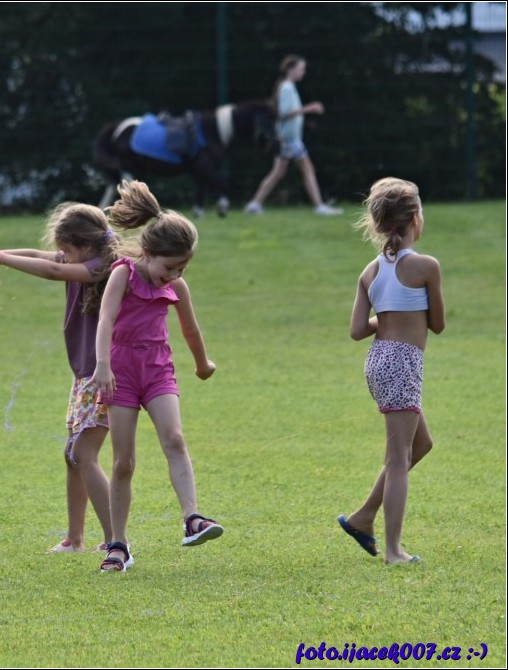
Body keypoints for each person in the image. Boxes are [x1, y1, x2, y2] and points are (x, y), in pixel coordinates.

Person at [0, 202, 119, 553]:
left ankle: (116, 540)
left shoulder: (102, 267)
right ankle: (75, 539)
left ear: (83, 245)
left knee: (83, 454)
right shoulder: (81, 258)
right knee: (72, 455)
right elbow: (42, 256)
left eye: (66, 251)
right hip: (84, 375)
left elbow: (53, 272)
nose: (61, 257)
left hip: (105, 373)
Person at [92, 180, 222, 573]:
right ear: (147, 254)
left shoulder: (176, 285)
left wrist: (202, 363)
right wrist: (102, 366)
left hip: (158, 369)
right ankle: (118, 545)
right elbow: (105, 319)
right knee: (123, 462)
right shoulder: (123, 274)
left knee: (175, 439)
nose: (175, 275)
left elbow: (191, 329)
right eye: (170, 267)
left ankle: (192, 518)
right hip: (120, 372)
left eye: (182, 268)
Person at [339, 177, 444, 565]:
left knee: (420, 445)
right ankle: (394, 551)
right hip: (403, 362)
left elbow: (355, 331)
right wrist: (405, 318)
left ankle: (363, 517)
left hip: (379, 359)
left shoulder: (370, 271)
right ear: (415, 218)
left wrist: (386, 319)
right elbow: (437, 324)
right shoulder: (425, 267)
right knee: (398, 457)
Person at [243, 55, 343, 216]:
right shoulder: (287, 88)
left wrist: (303, 120)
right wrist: (310, 108)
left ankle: (254, 204)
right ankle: (319, 206)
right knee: (307, 169)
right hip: (289, 139)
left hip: (288, 138)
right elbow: (284, 114)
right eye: (301, 69)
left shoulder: (286, 87)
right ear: (290, 70)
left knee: (279, 172)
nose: (303, 72)